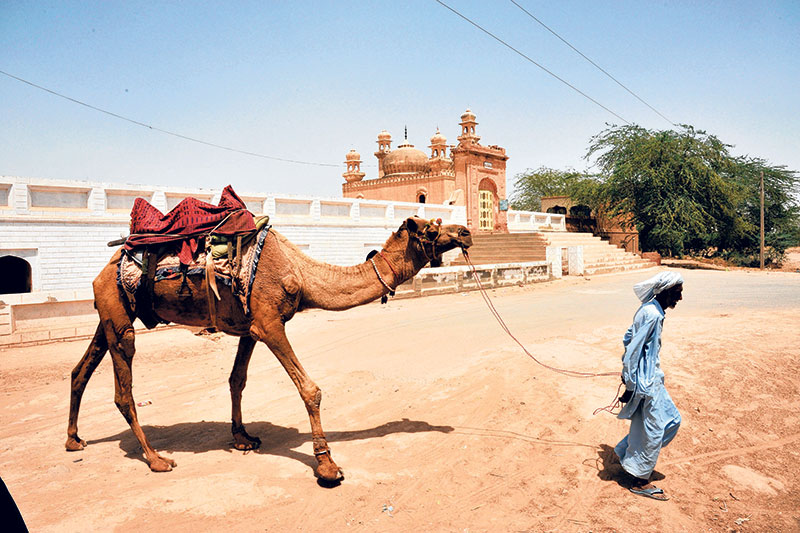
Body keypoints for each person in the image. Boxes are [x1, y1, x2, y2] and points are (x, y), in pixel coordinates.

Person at [614, 271, 684, 501]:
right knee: (654, 430)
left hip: (653, 379)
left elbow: (628, 338)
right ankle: (640, 481)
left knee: (672, 420)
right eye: (677, 293)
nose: (680, 298)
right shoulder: (652, 314)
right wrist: (632, 383)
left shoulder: (651, 309)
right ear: (665, 292)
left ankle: (631, 458)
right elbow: (633, 349)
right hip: (646, 383)